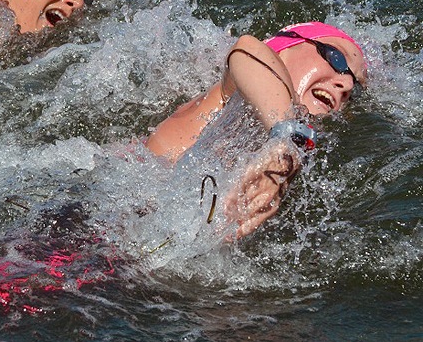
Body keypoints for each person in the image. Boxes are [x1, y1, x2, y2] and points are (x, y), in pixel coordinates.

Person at [145, 21, 367, 238]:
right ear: (281, 48)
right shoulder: (233, 96)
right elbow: (247, 50)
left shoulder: (289, 166)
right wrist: (288, 139)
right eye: (336, 58)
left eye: (355, 87)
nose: (346, 84)